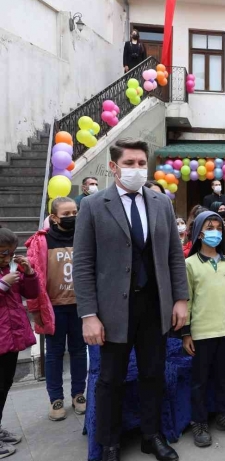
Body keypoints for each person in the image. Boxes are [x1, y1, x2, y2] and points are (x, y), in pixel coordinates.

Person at [74, 138, 188, 461]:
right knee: (110, 379)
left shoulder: (161, 202)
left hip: (154, 306)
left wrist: (180, 299)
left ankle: (151, 436)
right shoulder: (94, 206)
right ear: (113, 167)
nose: (137, 169)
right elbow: (83, 264)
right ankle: (108, 443)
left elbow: (174, 256)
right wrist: (88, 315)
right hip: (112, 311)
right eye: (130, 163)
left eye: (141, 163)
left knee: (154, 373)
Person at [182, 211, 225, 447]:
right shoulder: (189, 264)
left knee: (224, 376)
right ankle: (198, 421)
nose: (215, 233)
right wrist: (186, 332)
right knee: (200, 379)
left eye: (219, 228)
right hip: (202, 331)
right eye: (209, 228)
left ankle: (224, 414)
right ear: (199, 233)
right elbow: (186, 300)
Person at [26, 197, 87, 422]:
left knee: (80, 351)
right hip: (54, 308)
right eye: (66, 214)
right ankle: (56, 398)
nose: (72, 217)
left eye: (75, 212)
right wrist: (36, 310)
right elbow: (35, 279)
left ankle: (79, 394)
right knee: (54, 353)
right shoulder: (41, 241)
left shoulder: (85, 237)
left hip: (81, 306)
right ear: (53, 217)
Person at [0, 228, 40, 459]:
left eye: (11, 253)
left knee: (4, 387)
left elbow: (31, 294)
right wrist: (3, 284)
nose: (8, 258)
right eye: (4, 253)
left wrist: (29, 272)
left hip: (11, 337)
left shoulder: (11, 269)